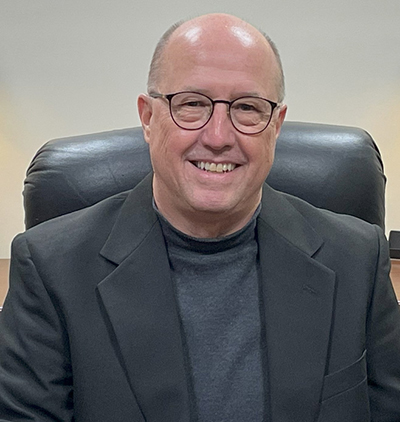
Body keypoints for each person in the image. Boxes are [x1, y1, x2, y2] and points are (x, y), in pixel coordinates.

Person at [1, 13, 400, 422]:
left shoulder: (358, 260)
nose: (218, 136)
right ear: (148, 118)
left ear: (275, 127)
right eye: (192, 104)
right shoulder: (49, 269)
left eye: (247, 108)